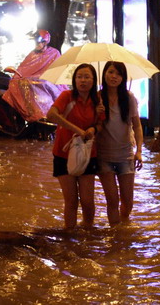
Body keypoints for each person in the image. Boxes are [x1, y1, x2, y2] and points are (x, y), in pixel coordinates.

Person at [46, 63, 102, 229]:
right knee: (71, 201)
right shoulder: (67, 96)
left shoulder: (97, 101)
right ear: (74, 79)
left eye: (86, 77)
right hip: (64, 154)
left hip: (88, 153)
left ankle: (88, 231)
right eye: (79, 77)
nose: (82, 80)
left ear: (93, 80)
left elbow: (100, 124)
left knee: (87, 200)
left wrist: (93, 128)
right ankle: (69, 235)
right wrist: (78, 130)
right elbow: (51, 115)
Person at [96, 61, 143, 225]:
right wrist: (97, 114)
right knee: (112, 200)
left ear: (123, 78)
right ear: (104, 74)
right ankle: (116, 236)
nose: (114, 76)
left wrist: (139, 151)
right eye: (110, 72)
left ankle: (124, 225)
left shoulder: (129, 98)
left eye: (118, 74)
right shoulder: (98, 97)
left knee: (128, 201)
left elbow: (137, 126)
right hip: (104, 156)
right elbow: (93, 127)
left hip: (125, 155)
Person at [2, 29, 67, 122]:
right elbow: (23, 68)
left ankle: (42, 113)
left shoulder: (54, 53)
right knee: (18, 84)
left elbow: (57, 72)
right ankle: (30, 114)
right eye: (35, 42)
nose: (36, 44)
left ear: (45, 42)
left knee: (41, 84)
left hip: (48, 83)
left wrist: (40, 79)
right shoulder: (32, 54)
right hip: (32, 82)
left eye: (39, 42)